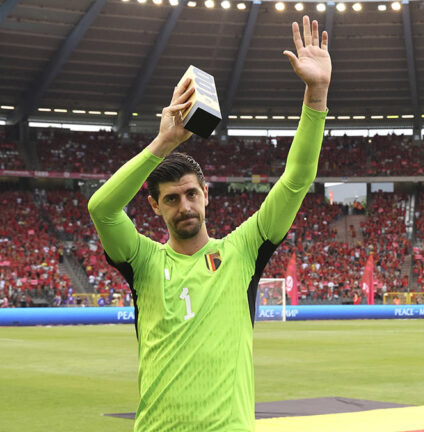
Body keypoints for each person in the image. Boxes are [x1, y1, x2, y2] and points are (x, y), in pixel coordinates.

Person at [87, 16, 331, 431]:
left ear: (206, 194)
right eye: (171, 198)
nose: (184, 205)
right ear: (154, 207)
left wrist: (316, 95)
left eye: (191, 193)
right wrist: (164, 142)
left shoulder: (242, 250)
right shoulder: (143, 261)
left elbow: (296, 180)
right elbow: (102, 208)